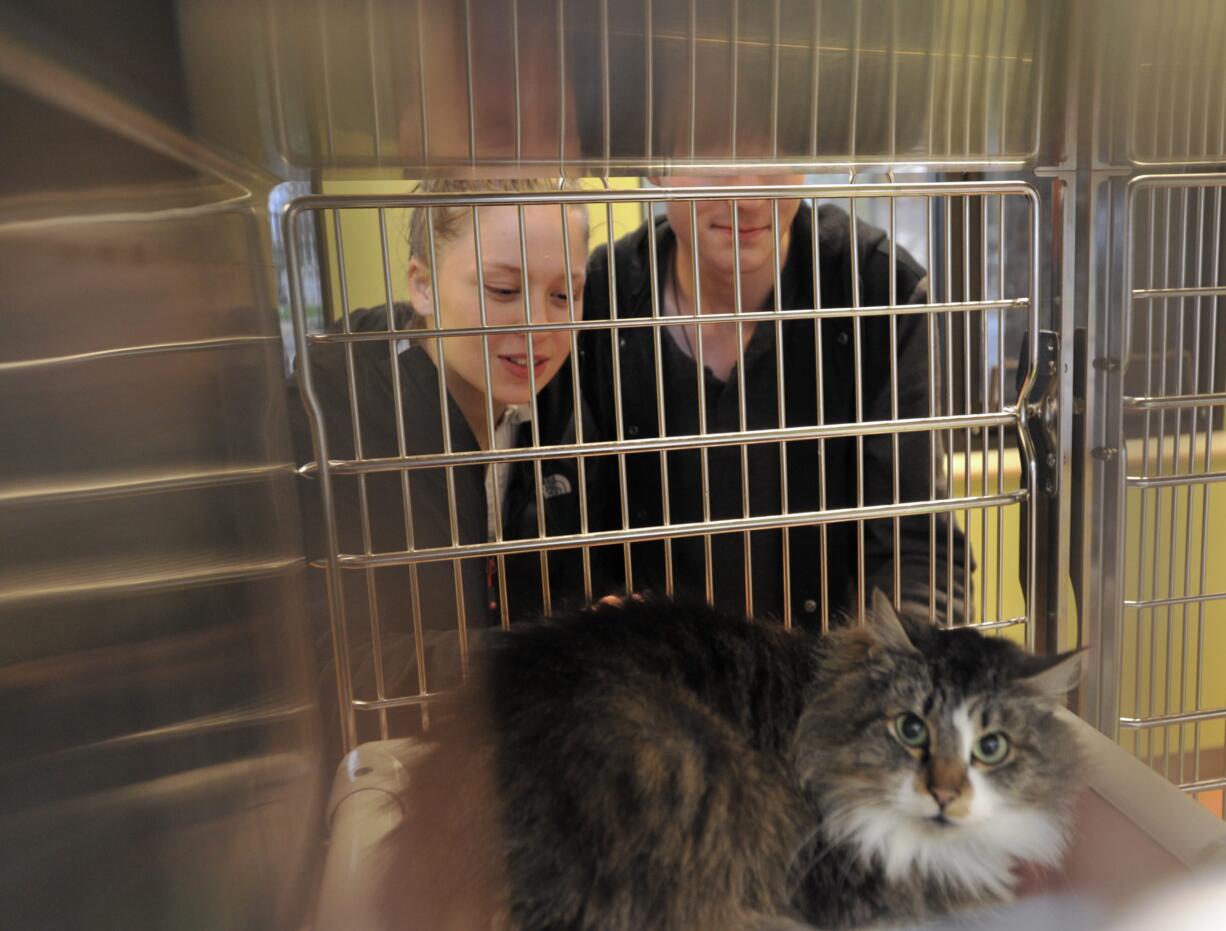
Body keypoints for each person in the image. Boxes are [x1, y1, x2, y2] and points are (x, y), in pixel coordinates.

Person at [577, 174, 970, 629]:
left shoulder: (880, 289)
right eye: (713, 153)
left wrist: (897, 676)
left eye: (773, 153)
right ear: (655, 164)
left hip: (828, 676)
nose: (747, 197)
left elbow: (914, 547)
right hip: (644, 676)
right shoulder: (596, 298)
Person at [290, 178, 601, 742]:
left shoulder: (568, 408)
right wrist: (541, 656)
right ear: (424, 286)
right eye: (503, 290)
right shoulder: (336, 418)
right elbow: (324, 668)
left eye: (565, 294)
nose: (538, 327)